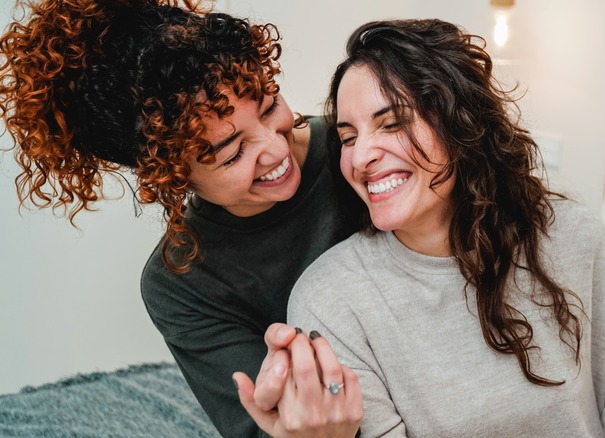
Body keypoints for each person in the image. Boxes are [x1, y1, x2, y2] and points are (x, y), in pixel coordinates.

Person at [284, 18, 605, 437]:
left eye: (392, 123)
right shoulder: (330, 303)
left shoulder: (568, 229)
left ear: (459, 124)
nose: (361, 156)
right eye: (348, 137)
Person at [0, 0, 362, 436]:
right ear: (172, 176)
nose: (277, 148)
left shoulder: (360, 148)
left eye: (269, 107)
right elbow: (262, 427)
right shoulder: (181, 283)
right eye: (233, 152)